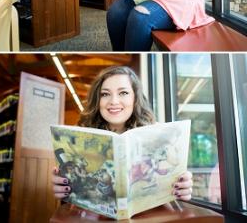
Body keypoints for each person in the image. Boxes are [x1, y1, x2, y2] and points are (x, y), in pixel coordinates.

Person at [51, 66, 194, 203]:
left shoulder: (157, 135)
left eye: (123, 93)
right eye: (105, 94)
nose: (113, 101)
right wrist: (63, 187)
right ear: (97, 100)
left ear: (135, 98)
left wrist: (182, 186)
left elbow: (169, 173)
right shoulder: (81, 136)